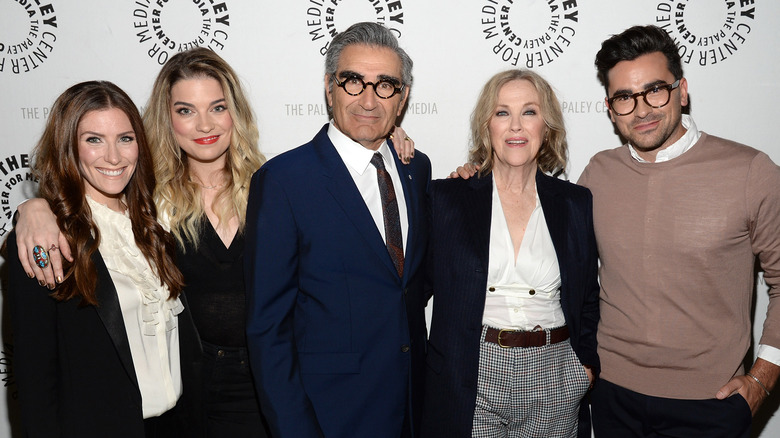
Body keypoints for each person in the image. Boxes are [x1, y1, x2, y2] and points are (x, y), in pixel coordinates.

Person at [14, 48, 271, 437]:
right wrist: (32, 209)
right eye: (185, 110)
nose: (204, 124)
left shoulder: (275, 190)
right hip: (183, 403)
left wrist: (391, 146)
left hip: (238, 395)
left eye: (217, 107)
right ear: (167, 121)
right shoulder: (156, 203)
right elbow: (37, 380)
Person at [577, 25, 780, 437]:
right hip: (612, 394)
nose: (642, 109)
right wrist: (472, 180)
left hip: (713, 402)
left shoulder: (750, 171)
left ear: (682, 90)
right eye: (624, 98)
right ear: (610, 107)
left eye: (655, 90)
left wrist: (762, 380)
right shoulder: (597, 173)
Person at [244, 22, 430, 438]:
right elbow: (267, 328)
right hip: (329, 416)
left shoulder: (416, 168)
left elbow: (414, 282)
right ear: (330, 87)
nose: (368, 99)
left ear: (401, 100)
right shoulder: (283, 181)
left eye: (386, 85)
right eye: (352, 82)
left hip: (412, 410)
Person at [6, 80, 202, 437]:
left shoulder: (155, 224)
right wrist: (30, 208)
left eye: (125, 138)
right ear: (68, 146)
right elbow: (36, 383)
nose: (114, 157)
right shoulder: (46, 241)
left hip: (177, 426)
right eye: (93, 139)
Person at [422, 69, 599, 438]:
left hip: (556, 372)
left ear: (546, 127)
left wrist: (585, 365)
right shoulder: (447, 199)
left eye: (529, 112)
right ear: (486, 126)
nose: (516, 126)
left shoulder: (575, 203)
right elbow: (411, 291)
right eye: (503, 113)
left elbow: (587, 297)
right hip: (472, 373)